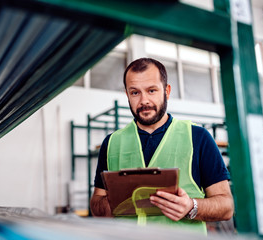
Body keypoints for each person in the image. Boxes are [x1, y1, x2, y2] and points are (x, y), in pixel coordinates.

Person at [90, 58, 234, 234]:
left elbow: (226, 207)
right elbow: (96, 205)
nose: (144, 101)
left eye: (152, 90)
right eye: (135, 93)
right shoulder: (112, 143)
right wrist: (116, 200)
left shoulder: (198, 137)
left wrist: (191, 207)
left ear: (167, 91)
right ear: (127, 94)